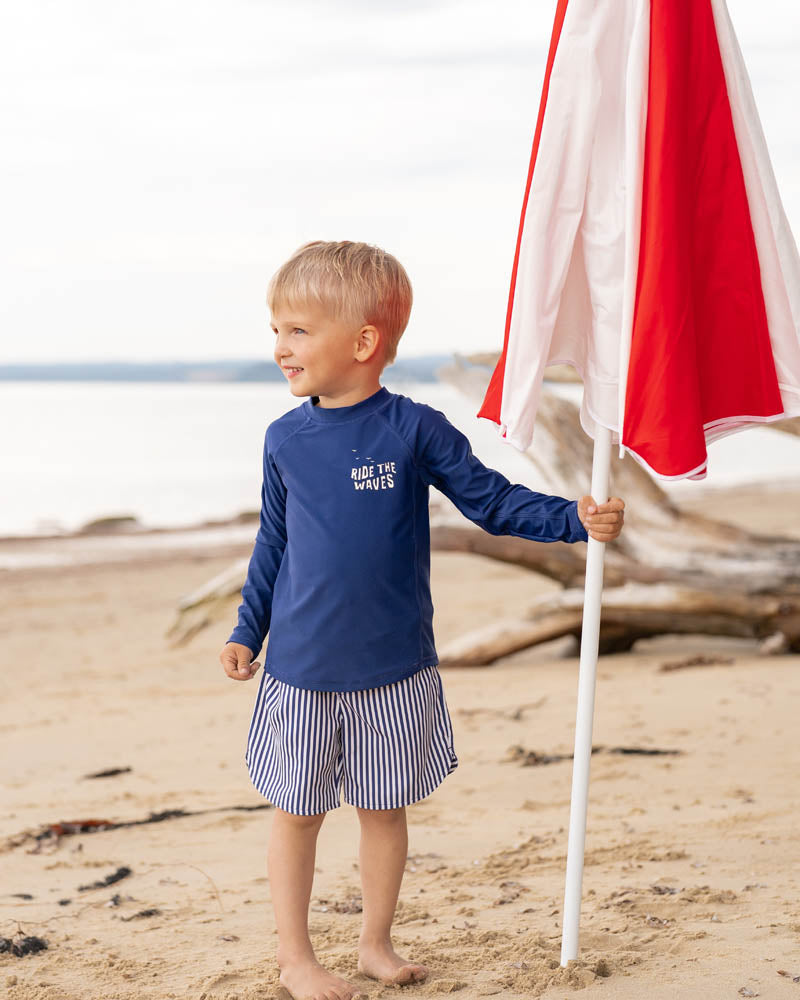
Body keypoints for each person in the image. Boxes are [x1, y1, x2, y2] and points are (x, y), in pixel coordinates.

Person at [220, 240, 625, 1000]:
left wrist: (573, 518)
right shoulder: (285, 440)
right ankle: (295, 957)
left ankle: (375, 942)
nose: (280, 347)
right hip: (301, 669)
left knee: (383, 809)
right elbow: (273, 542)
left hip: (394, 666)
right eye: (277, 330)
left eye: (298, 331)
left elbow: (492, 500)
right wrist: (249, 629)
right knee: (297, 813)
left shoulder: (413, 428)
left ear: (363, 342)